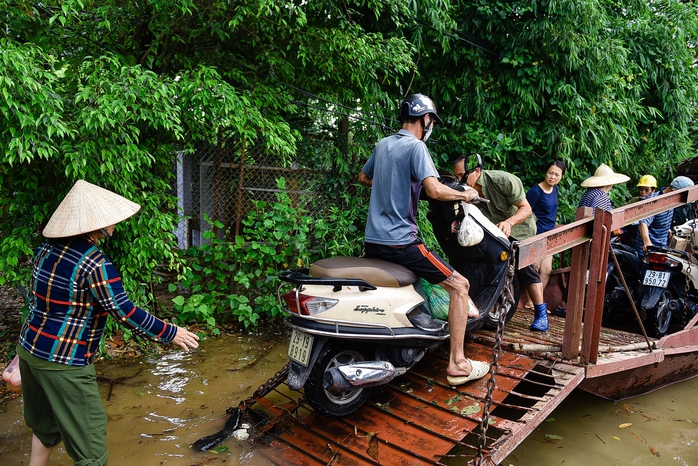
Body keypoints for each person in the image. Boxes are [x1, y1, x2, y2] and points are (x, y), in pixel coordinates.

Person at [17, 180, 200, 466]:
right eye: (110, 221)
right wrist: (171, 332)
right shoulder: (94, 264)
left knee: (45, 426)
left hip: (30, 351)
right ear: (94, 225)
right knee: (90, 449)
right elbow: (124, 312)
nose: (114, 226)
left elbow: (37, 301)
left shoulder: (47, 249)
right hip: (65, 362)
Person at [358, 94, 489, 386]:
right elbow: (435, 190)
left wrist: (391, 183)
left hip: (373, 241)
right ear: (426, 120)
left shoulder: (383, 145)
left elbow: (364, 178)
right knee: (460, 285)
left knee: (419, 282)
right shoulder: (416, 147)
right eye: (431, 121)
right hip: (401, 242)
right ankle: (457, 364)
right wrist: (465, 194)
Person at [453, 154, 550, 332]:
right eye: (457, 177)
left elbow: (526, 209)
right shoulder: (467, 190)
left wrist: (509, 223)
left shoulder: (504, 181)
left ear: (477, 171)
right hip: (493, 230)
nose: (460, 180)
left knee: (525, 268)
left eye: (462, 176)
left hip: (520, 228)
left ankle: (541, 313)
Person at [522, 160, 567, 312]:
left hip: (550, 235)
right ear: (545, 172)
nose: (553, 177)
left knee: (546, 270)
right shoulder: (536, 191)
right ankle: (531, 303)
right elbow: (525, 211)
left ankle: (537, 302)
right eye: (550, 173)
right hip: (536, 234)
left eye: (557, 174)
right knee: (535, 267)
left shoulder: (555, 189)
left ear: (561, 176)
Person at [636, 176, 695, 253]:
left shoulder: (672, 201)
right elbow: (643, 223)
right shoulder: (654, 201)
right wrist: (647, 242)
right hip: (647, 250)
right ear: (673, 191)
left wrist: (666, 229)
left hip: (662, 246)